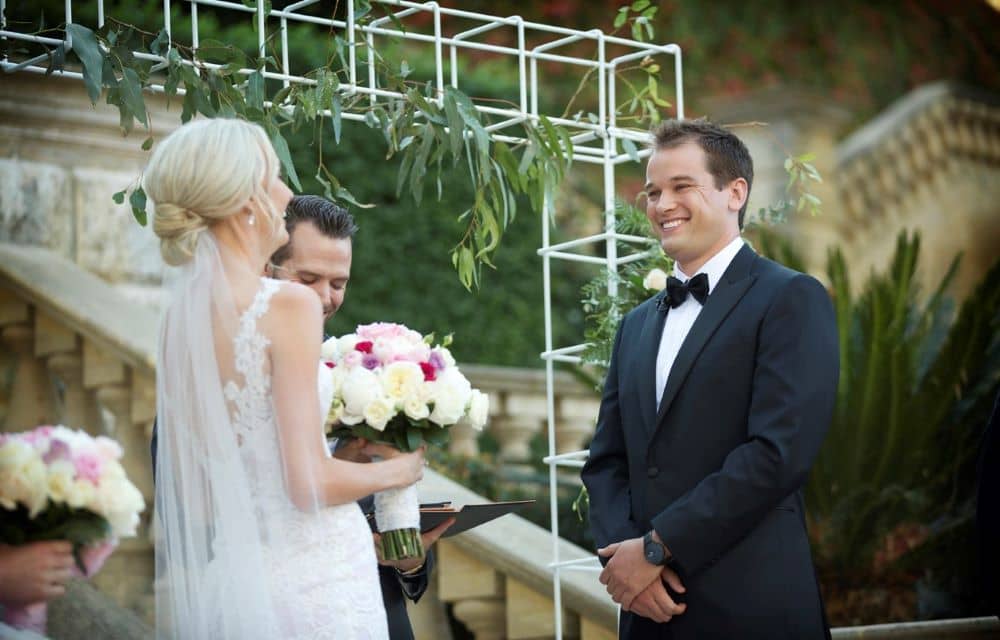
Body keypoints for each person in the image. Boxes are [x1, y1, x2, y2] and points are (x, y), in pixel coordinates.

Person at [145, 117, 425, 639]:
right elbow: (308, 486)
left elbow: (201, 499)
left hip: (236, 588)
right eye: (276, 176)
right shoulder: (288, 306)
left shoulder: (180, 315)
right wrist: (400, 472)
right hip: (320, 582)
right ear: (249, 197)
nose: (287, 191)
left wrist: (333, 461)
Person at [581, 119, 839, 639]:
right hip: (649, 616)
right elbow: (606, 462)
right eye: (653, 192)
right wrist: (626, 567)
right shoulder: (634, 327)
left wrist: (658, 547)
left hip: (751, 609)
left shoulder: (790, 298)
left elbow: (777, 453)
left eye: (682, 187)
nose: (660, 204)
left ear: (734, 192)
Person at [264, 195, 453, 640]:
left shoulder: (364, 368)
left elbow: (379, 507)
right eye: (307, 278)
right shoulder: (219, 378)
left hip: (372, 615)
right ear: (266, 267)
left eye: (338, 282)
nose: (325, 298)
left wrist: (409, 559)